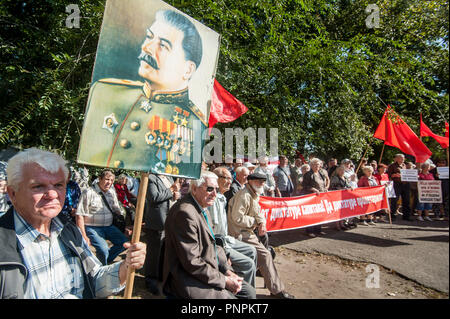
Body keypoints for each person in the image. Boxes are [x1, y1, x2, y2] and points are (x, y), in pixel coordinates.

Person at [0, 148, 146, 299]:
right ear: (12, 193)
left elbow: (94, 280)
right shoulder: (4, 245)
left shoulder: (68, 230)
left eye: (58, 185)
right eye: (38, 186)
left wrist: (126, 266)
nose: (52, 194)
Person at [78, 9, 207, 177]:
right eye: (149, 37)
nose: (146, 47)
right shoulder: (104, 91)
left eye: (163, 45)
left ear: (188, 69)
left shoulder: (195, 124)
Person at [162, 171, 255, 299]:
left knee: (249, 292)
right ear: (194, 189)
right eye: (210, 189)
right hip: (187, 279)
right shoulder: (185, 213)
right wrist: (224, 280)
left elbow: (213, 244)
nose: (215, 194)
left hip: (207, 271)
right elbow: (192, 262)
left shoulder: (201, 206)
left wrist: (227, 270)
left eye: (216, 189)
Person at [227, 172, 294, 299]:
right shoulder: (244, 196)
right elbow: (237, 218)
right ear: (250, 181)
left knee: (265, 254)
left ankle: (274, 288)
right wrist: (256, 222)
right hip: (240, 234)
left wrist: (262, 222)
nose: (262, 184)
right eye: (259, 182)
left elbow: (258, 212)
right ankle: (277, 291)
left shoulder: (253, 194)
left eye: (263, 182)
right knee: (265, 254)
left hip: (247, 232)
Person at [209, 166, 257, 287]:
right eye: (227, 178)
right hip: (219, 244)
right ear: (216, 179)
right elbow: (214, 233)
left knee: (252, 250)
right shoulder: (212, 200)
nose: (230, 182)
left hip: (226, 239)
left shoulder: (222, 197)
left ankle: (244, 287)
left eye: (231, 178)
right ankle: (244, 292)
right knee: (249, 264)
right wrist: (225, 255)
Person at [76, 169, 129, 265]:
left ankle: (103, 263)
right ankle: (101, 268)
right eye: (107, 179)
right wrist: (83, 235)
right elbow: (79, 215)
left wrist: (123, 228)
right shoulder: (88, 192)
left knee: (124, 243)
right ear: (99, 179)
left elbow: (116, 211)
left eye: (112, 180)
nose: (109, 182)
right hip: (92, 228)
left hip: (109, 226)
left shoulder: (111, 192)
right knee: (103, 249)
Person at [143, 173, 180, 295]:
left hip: (170, 221)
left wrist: (176, 195)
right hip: (156, 223)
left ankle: (161, 278)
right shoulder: (151, 178)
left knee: (164, 252)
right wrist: (171, 190)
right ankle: (150, 280)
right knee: (154, 253)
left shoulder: (169, 177)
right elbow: (153, 198)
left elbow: (171, 197)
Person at [301, 158, 328, 237]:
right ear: (311, 165)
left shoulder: (320, 173)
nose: (317, 166)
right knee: (311, 214)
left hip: (320, 197)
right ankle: (309, 231)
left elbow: (323, 183)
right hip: (311, 197)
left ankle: (318, 229)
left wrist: (325, 188)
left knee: (319, 213)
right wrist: (313, 189)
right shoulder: (308, 174)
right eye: (315, 164)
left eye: (318, 164)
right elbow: (304, 186)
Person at [387, 154, 413, 221]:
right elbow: (388, 175)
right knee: (394, 200)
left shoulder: (405, 165)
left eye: (403, 158)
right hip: (396, 184)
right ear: (397, 158)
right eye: (401, 158)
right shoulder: (392, 166)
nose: (403, 159)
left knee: (406, 200)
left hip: (405, 184)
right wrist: (394, 175)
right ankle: (392, 215)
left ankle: (406, 216)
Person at [329, 165, 354, 230]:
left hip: (344, 196)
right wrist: (341, 189)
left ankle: (342, 224)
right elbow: (333, 186)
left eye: (343, 170)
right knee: (338, 210)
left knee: (343, 211)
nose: (342, 171)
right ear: (337, 171)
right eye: (340, 170)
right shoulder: (335, 178)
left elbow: (347, 185)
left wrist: (350, 187)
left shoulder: (345, 177)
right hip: (337, 196)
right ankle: (337, 225)